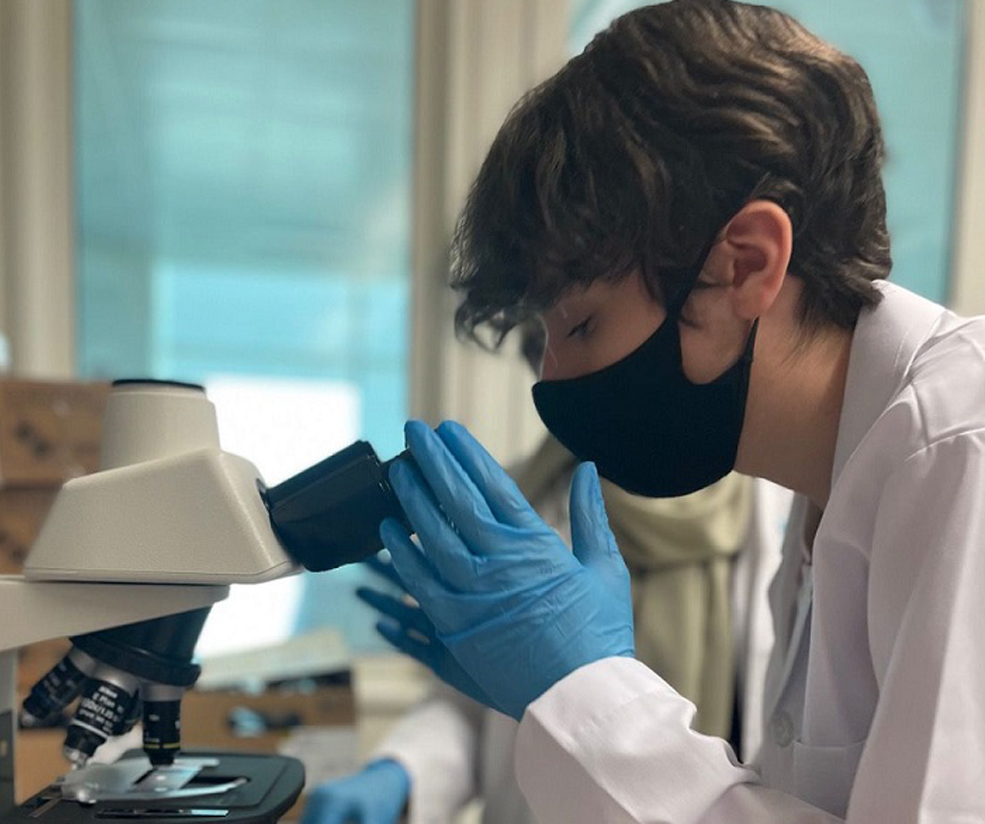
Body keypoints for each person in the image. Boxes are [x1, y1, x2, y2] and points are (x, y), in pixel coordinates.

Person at [354, 0, 985, 821]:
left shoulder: (960, 450)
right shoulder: (832, 483)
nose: (551, 381)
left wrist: (585, 694)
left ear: (745, 265)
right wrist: (553, 702)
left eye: (580, 324)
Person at [300, 322, 757, 824]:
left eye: (582, 329)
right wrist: (401, 772)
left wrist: (585, 683)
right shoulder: (518, 500)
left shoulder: (771, 517)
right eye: (536, 350)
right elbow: (477, 708)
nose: (551, 373)